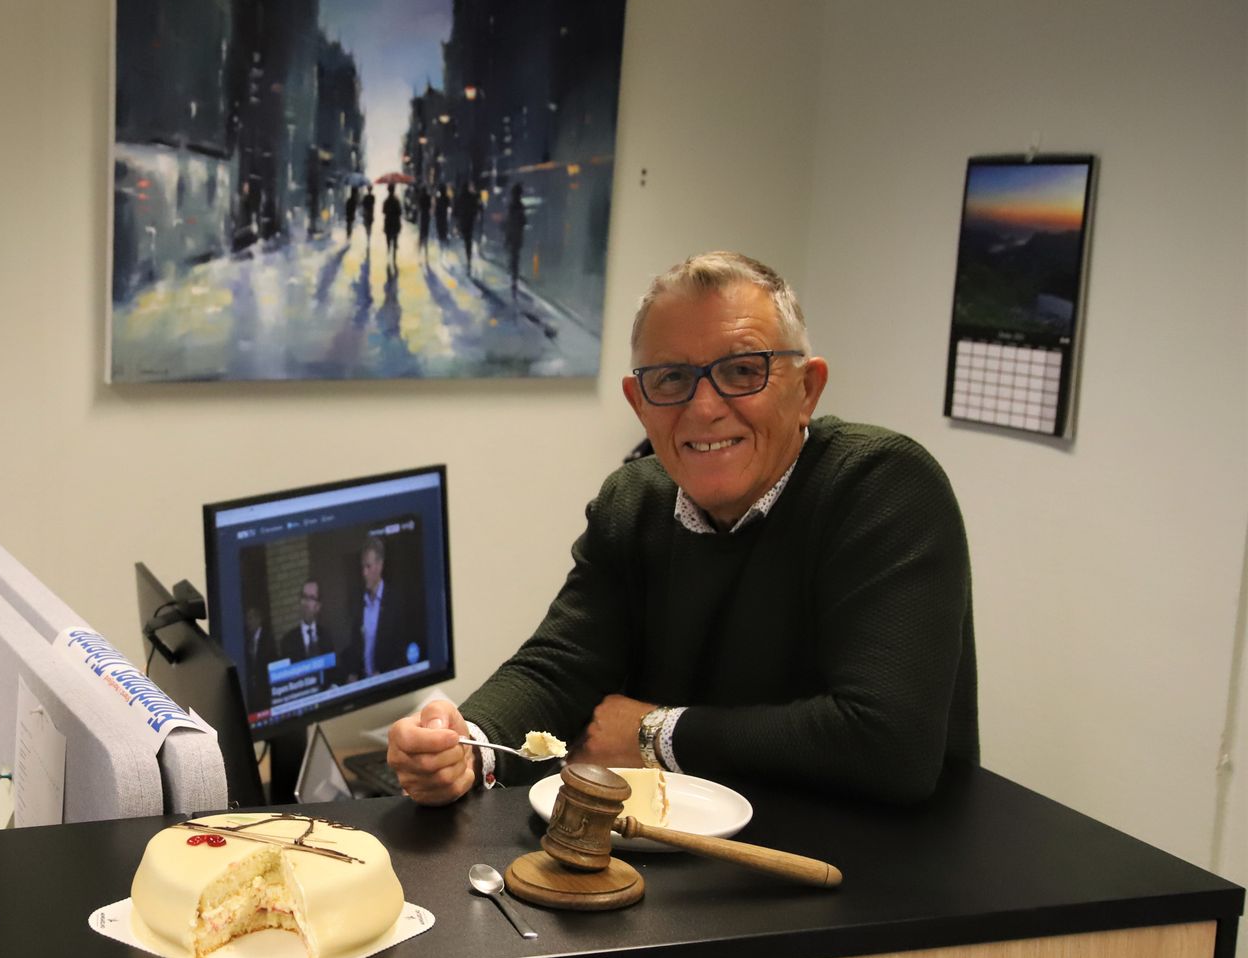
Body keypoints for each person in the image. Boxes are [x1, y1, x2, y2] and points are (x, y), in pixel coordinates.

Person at [387, 251, 977, 806]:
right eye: (670, 379)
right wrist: (466, 743)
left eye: (743, 371)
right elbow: (562, 664)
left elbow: (888, 743)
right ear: (638, 402)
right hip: (684, 870)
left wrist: (655, 734)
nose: (703, 408)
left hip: (871, 878)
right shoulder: (634, 500)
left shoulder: (882, 486)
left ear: (807, 389)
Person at [342, 537, 421, 683]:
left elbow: (402, 650)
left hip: (388, 684)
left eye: (368, 566)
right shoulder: (358, 601)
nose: (364, 573)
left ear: (380, 565)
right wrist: (352, 673)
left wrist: (384, 675)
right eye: (362, 567)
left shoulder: (395, 601)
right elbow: (355, 644)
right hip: (362, 683)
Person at [277, 579, 328, 663]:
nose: (306, 603)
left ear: (318, 606)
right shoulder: (288, 641)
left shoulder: (326, 637)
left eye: (311, 598)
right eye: (304, 597)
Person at [504, 183, 528, 296]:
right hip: (518, 235)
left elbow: (509, 222)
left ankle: (513, 277)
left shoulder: (511, 206)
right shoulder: (521, 206)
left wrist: (507, 236)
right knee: (515, 256)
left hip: (513, 235)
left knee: (513, 256)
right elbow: (523, 221)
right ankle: (514, 277)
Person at [454, 182, 480, 271]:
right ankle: (469, 259)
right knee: (468, 240)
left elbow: (455, 211)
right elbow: (477, 208)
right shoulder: (472, 197)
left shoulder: (460, 197)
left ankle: (464, 259)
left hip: (462, 222)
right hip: (470, 222)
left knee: (463, 240)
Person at [382, 184, 403, 265]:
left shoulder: (386, 201)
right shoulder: (396, 201)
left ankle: (388, 257)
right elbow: (400, 212)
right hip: (395, 224)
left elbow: (383, 211)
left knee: (388, 242)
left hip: (388, 223)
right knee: (394, 241)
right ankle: (394, 259)